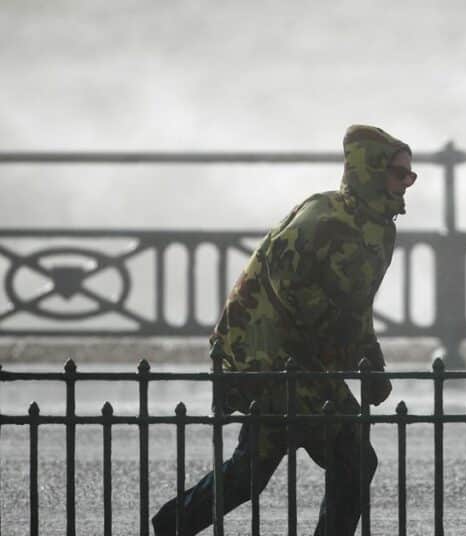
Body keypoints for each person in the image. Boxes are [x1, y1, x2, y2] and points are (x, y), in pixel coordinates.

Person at [152, 124, 417, 536]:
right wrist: (339, 354)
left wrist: (370, 359)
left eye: (411, 175)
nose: (407, 183)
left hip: (301, 361)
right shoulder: (323, 217)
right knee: (354, 459)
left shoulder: (380, 230)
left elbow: (357, 304)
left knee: (250, 471)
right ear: (371, 170)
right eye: (400, 173)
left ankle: (173, 522)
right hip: (266, 354)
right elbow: (286, 285)